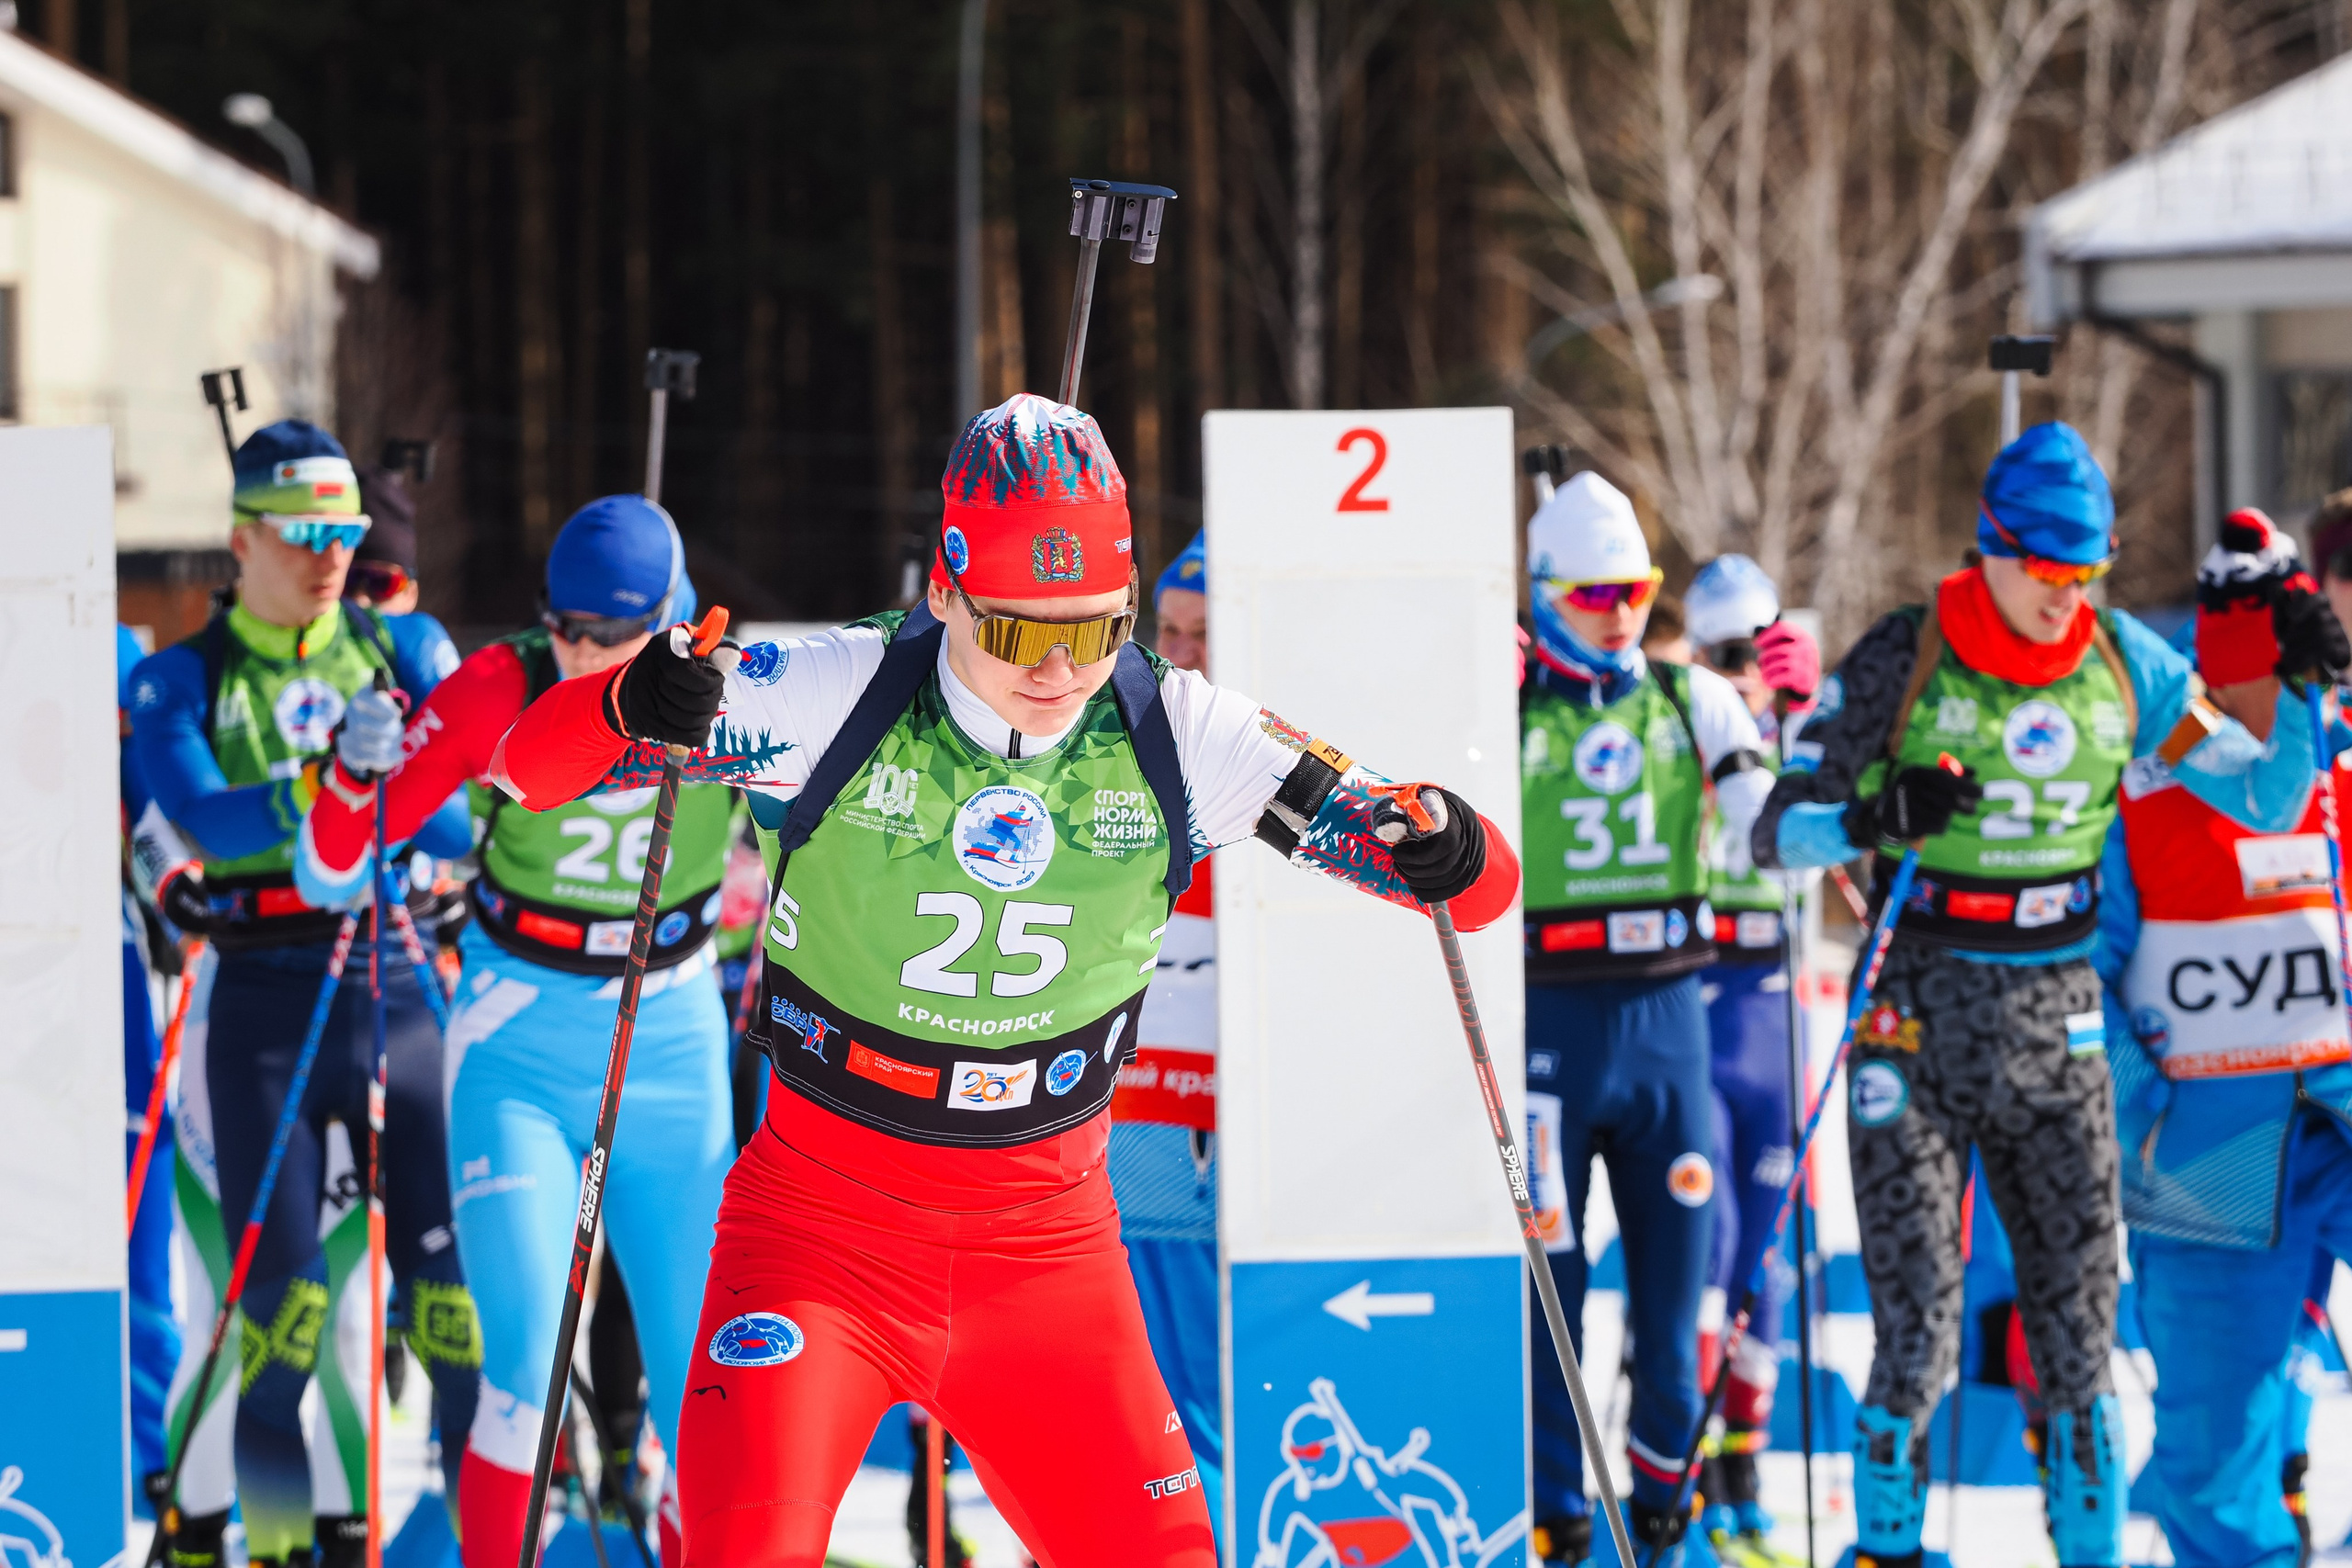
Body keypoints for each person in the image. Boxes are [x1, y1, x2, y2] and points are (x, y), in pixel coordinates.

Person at [486, 393, 1521, 1566]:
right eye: (1023, 632)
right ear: (946, 588)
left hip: (1048, 1263)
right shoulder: (831, 690)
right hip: (818, 1241)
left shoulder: (1181, 732)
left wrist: (1440, 838)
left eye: (1097, 628)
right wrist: (633, 700)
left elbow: (1472, 887)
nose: (1062, 668)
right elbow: (527, 772)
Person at [1751, 425, 2346, 1568]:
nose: (2067, 594)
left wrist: (2304, 686)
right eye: (2050, 570)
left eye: (2091, 570)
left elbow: (2265, 798)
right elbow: (1777, 828)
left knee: (2074, 1335)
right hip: (1912, 1018)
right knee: (1915, 1326)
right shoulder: (1908, 653)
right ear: (1994, 549)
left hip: (2056, 1019)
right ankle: (1887, 1548)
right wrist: (1873, 818)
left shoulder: (2123, 663)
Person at [294, 493, 739, 1568]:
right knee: (527, 1363)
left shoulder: (737, 687)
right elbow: (330, 868)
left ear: (673, 621)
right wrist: (357, 775)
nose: (576, 652)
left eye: (606, 637)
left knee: (702, 1387)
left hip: (671, 1040)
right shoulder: (505, 681)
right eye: (563, 627)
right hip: (520, 1043)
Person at [126, 420, 481, 1568]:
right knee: (280, 1325)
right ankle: (272, 1546)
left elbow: (458, 817)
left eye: (345, 530)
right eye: (303, 532)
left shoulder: (403, 649)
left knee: (447, 1309)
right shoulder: (181, 676)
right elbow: (199, 821)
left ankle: (482, 1542)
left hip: (392, 983)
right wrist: (335, 789)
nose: (330, 552)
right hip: (266, 1001)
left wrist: (379, 801)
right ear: (242, 539)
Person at [1518, 476, 1772, 1565]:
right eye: (1589, 594)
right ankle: (1558, 1519)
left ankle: (1670, 1518)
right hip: (1545, 1030)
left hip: (1671, 1026)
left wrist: (1843, 802)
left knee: (1676, 1309)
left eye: (1633, 590)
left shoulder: (1688, 699)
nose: (1616, 611)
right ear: (1541, 594)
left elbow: (1771, 825)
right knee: (1550, 1303)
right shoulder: (1502, 695)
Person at [2098, 510, 2352, 1568]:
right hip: (2204, 1142)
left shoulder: (2334, 756)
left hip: (2334, 1110)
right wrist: (2139, 1114)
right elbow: (2081, 972)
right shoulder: (2147, 781)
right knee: (2212, 1453)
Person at [1680, 556, 1821, 1566]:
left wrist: (1807, 713)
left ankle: (1747, 1473)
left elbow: (1843, 826)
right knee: (1698, 1239)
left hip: (1771, 1011)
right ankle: (1689, 1471)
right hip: (1690, 991)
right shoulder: (1673, 713)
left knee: (1762, 1257)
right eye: (1719, 656)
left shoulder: (1802, 722)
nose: (1739, 675)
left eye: (1754, 653)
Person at [1105, 528, 1225, 1538]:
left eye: (1204, 636)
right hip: (1118, 1120)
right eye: (1168, 632)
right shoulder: (1125, 748)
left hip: (1197, 1130)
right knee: (1127, 1413)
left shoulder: (1243, 772)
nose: (1180, 656)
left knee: (1196, 1413)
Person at [119, 622, 184, 1507]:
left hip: (98, 998)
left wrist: (179, 890)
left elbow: (155, 825)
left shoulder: (106, 654)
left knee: (141, 1231)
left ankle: (155, 1458)